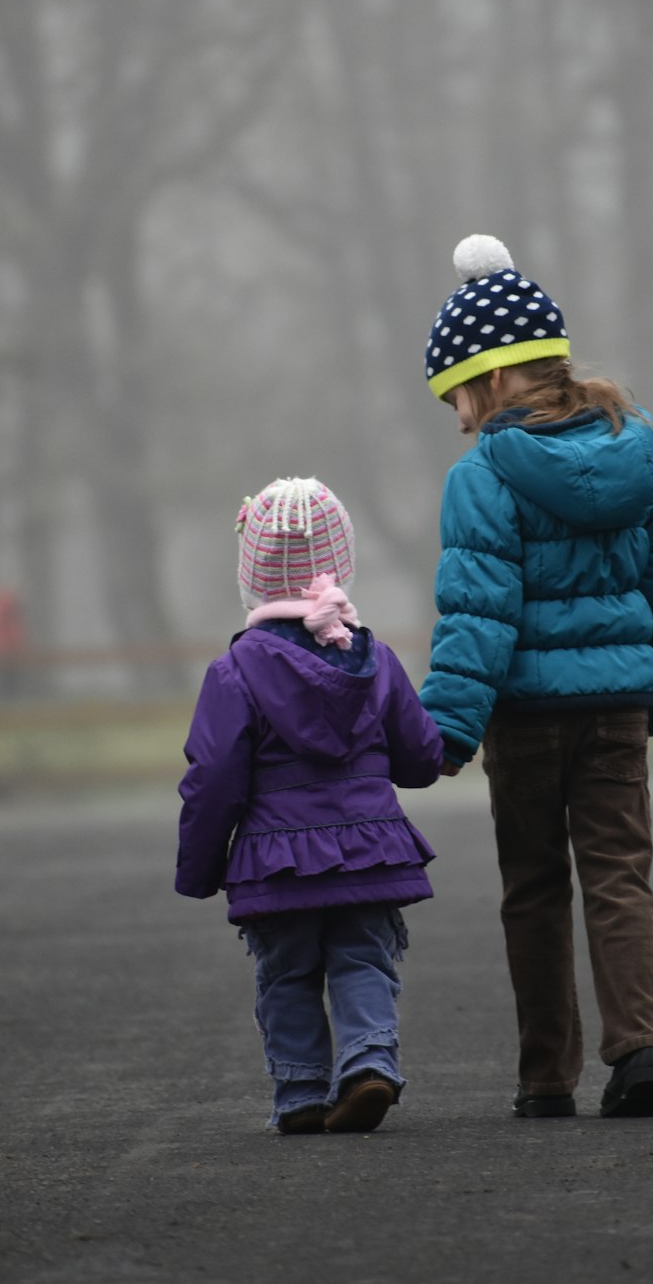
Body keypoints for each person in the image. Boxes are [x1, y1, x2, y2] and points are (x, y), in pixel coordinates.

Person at [419, 235, 653, 1120]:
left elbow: (479, 614)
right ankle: (641, 1046)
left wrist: (450, 728)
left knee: (534, 886)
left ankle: (546, 1077)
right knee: (620, 874)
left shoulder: (484, 475)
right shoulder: (636, 447)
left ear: (495, 378)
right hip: (618, 703)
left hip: (528, 716)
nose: (461, 415)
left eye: (460, 392)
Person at [175, 476, 442, 1135]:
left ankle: (299, 1093)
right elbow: (420, 757)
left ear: (254, 577)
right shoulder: (372, 659)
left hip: (277, 858)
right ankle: (369, 1063)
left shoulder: (234, 672)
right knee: (362, 958)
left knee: (288, 972)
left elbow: (213, 778)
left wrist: (201, 867)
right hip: (370, 849)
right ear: (338, 563)